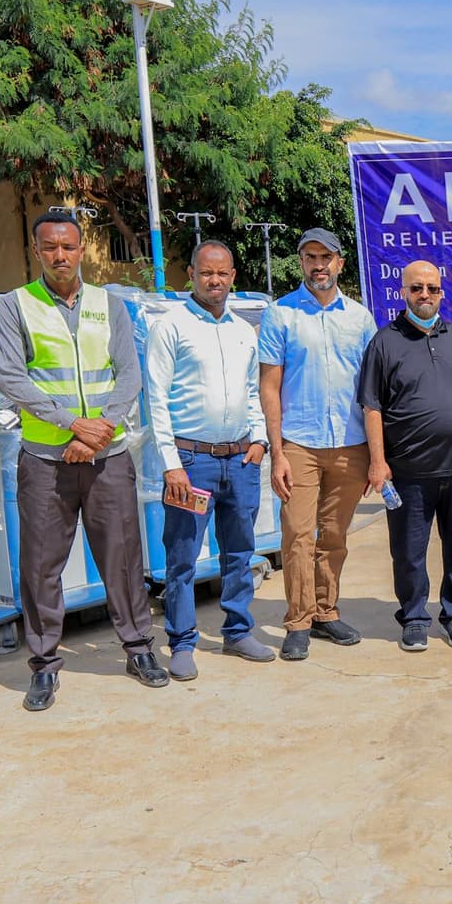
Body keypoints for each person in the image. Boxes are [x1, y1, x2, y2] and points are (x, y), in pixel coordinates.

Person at [0, 208, 167, 710]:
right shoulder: (15, 306)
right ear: (37, 250)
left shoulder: (107, 304)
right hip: (45, 462)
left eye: (68, 246)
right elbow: (12, 378)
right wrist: (73, 425)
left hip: (107, 458)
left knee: (123, 558)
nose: (60, 255)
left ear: (82, 247)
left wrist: (97, 434)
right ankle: (44, 666)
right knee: (41, 567)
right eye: (50, 247)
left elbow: (128, 375)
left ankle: (138, 649)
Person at [144, 239, 275, 680]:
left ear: (233, 276)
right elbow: (156, 400)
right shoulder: (172, 327)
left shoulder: (242, 330)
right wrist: (170, 464)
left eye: (222, 273)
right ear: (192, 276)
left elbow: (252, 392)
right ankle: (182, 641)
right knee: (182, 556)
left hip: (239, 462)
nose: (214, 280)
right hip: (191, 462)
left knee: (240, 550)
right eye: (206, 273)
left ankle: (238, 631)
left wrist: (258, 442)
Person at [258, 228, 375, 659]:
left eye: (326, 256)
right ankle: (298, 621)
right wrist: (276, 452)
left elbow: (371, 391)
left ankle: (326, 612)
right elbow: (269, 387)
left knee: (335, 536)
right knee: (297, 536)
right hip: (299, 445)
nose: (318, 264)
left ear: (340, 262)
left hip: (349, 444)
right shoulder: (281, 315)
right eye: (310, 257)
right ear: (301, 262)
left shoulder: (360, 319)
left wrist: (375, 455)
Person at [359, 261, 452, 653]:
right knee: (409, 551)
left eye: (431, 288)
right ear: (403, 293)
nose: (424, 295)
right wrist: (378, 462)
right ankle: (413, 617)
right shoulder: (384, 342)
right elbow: (372, 406)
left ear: (442, 293)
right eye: (416, 288)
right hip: (408, 472)